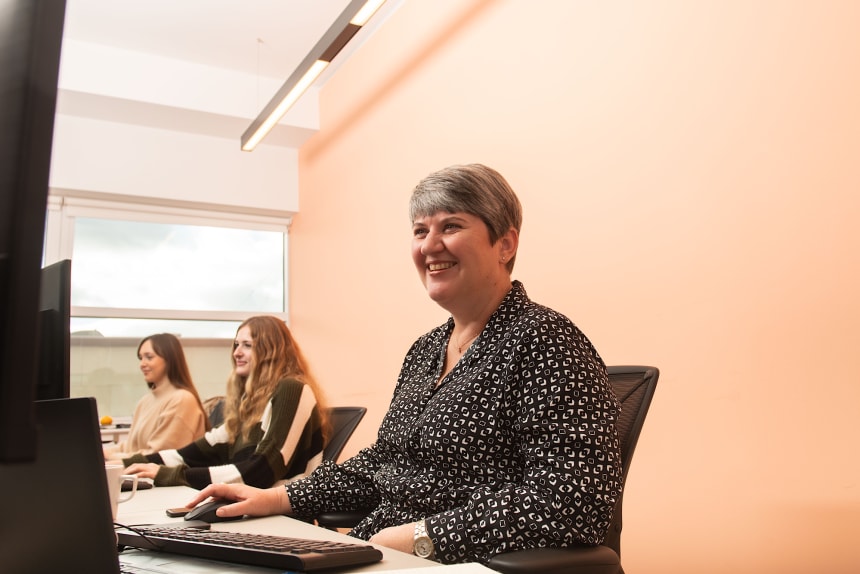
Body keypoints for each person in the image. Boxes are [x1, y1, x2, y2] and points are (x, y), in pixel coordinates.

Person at [187, 164, 622, 565]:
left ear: (505, 244)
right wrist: (276, 498)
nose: (429, 246)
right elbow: (383, 464)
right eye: (419, 231)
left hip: (456, 560)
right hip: (382, 549)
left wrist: (421, 536)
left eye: (451, 226)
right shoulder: (425, 350)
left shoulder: (544, 340)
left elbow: (573, 501)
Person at [120, 315, 329, 490]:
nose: (236, 352)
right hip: (248, 506)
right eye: (237, 345)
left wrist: (171, 475)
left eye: (247, 345)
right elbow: (190, 454)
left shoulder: (292, 389)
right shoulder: (250, 405)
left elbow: (262, 471)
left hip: (286, 517)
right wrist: (122, 466)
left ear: (271, 350)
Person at [103, 333, 208, 460]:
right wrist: (102, 452)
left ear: (169, 359)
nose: (142, 364)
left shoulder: (182, 399)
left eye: (149, 357)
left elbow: (159, 457)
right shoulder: (145, 401)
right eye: (140, 358)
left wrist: (111, 457)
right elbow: (131, 446)